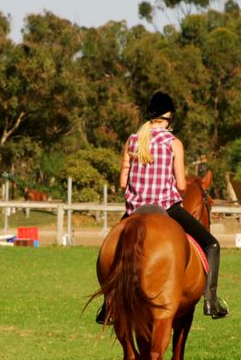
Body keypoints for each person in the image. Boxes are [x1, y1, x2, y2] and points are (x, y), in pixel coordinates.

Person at [96, 91, 229, 324]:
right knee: (212, 244)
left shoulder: (133, 140)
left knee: (112, 250)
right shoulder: (174, 143)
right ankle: (210, 300)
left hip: (135, 210)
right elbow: (180, 184)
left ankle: (107, 304)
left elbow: (122, 182)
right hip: (167, 208)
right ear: (169, 117)